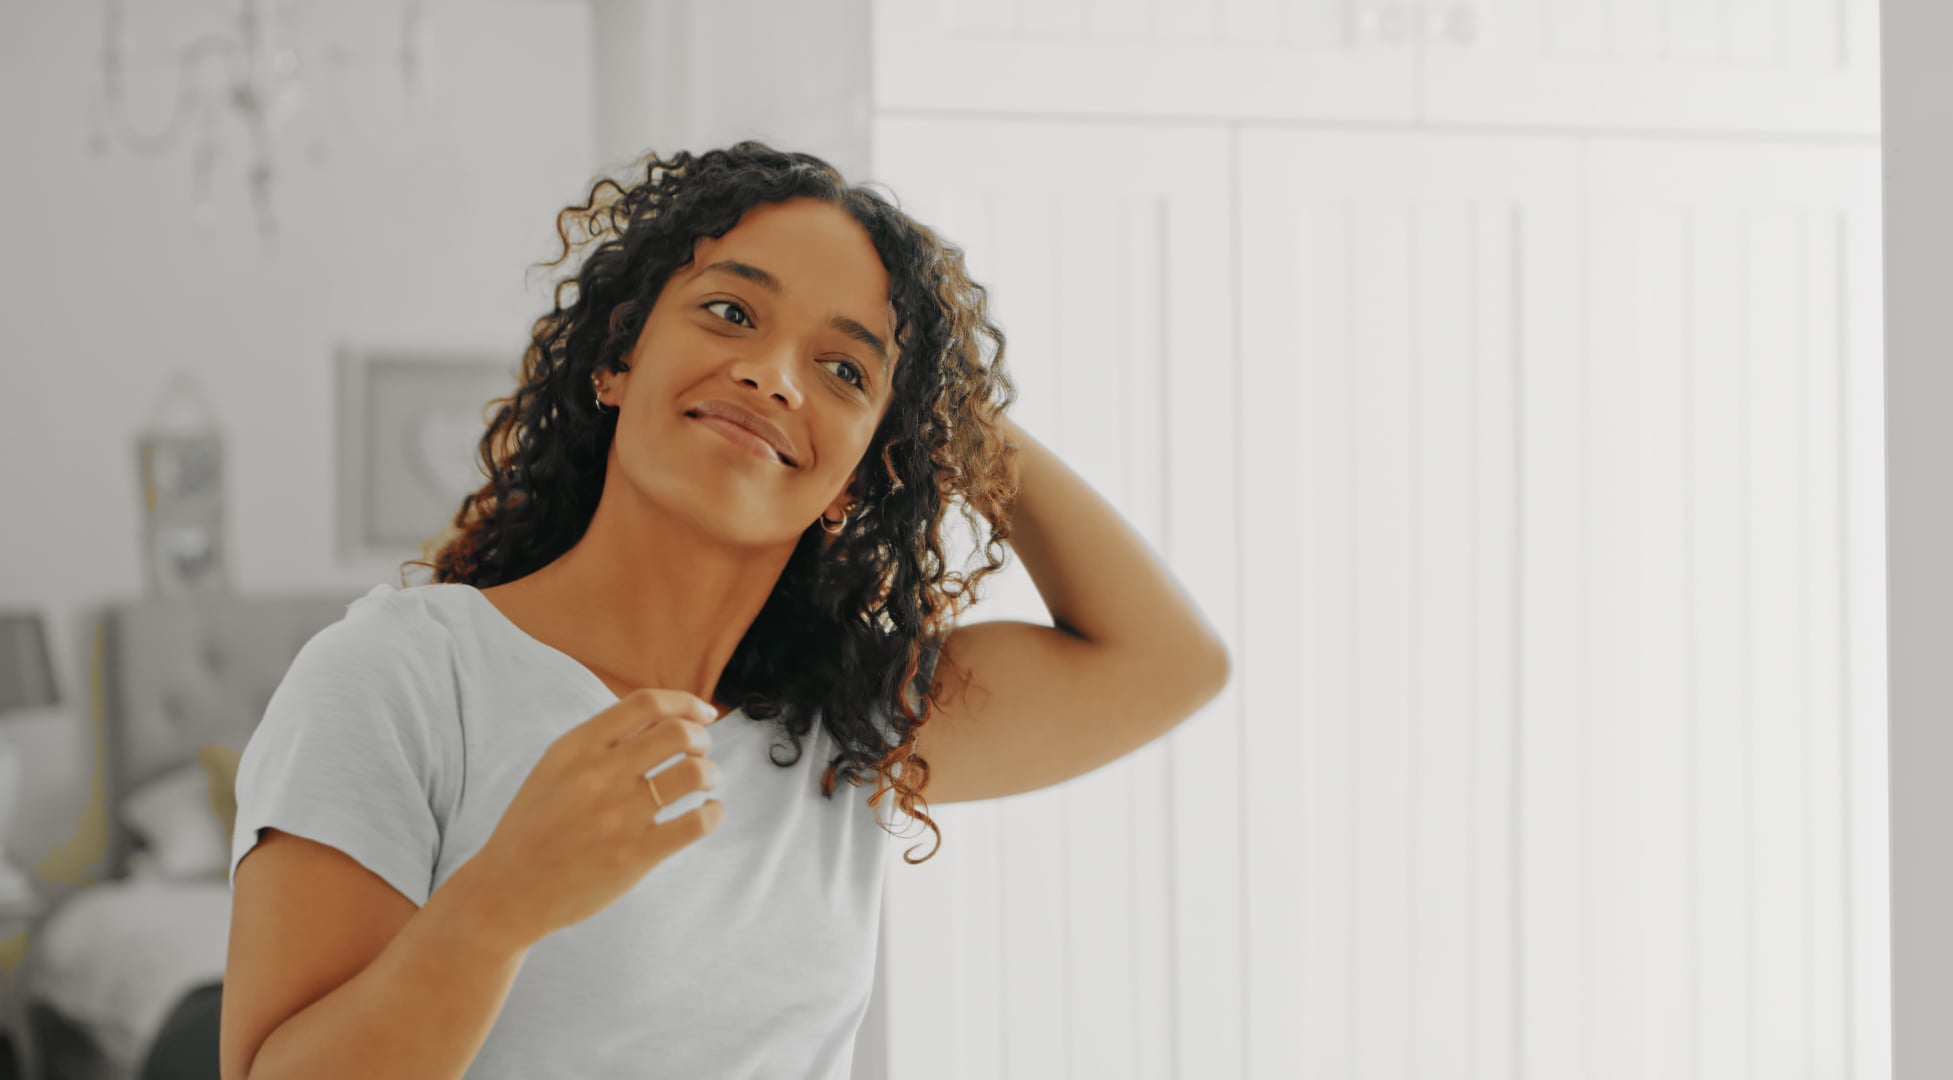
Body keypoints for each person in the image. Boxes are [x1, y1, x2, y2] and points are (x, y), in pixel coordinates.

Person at [219, 141, 1230, 1080]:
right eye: (731, 313)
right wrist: (498, 907)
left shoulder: (845, 726)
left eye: (843, 369)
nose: (770, 375)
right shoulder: (401, 677)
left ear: (858, 474)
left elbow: (1164, 661)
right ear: (617, 360)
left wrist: (942, 410)